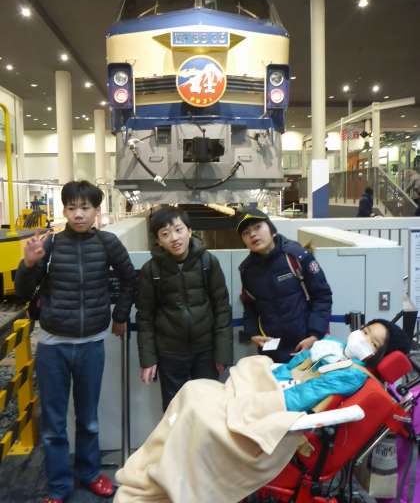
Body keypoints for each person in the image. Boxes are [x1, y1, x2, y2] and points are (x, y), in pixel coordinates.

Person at [114, 320, 410, 503]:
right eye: (365, 330)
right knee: (194, 391)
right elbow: (296, 368)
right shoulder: (336, 349)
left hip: (281, 407)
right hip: (277, 383)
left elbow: (302, 396)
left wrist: (258, 399)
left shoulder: (353, 374)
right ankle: (166, 467)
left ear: (378, 355)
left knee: (198, 410)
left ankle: (175, 480)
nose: (361, 337)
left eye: (372, 341)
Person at [15, 180, 137, 503]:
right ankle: (58, 487)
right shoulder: (51, 245)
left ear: (97, 210)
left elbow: (130, 279)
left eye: (85, 208)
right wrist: (29, 264)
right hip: (52, 346)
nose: (78, 214)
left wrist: (120, 315)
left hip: (91, 345)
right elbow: (23, 292)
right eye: (71, 208)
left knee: (89, 419)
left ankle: (90, 473)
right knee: (54, 424)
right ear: (65, 211)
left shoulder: (108, 243)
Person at [136, 206, 233, 410]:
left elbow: (222, 308)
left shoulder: (208, 262)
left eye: (178, 230)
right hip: (170, 353)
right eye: (165, 234)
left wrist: (222, 353)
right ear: (158, 240)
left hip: (205, 350)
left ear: (189, 231)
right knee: (175, 409)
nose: (174, 238)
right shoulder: (151, 270)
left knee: (209, 408)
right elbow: (145, 317)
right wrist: (148, 359)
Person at [236, 208, 332, 363]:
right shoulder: (247, 270)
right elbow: (249, 306)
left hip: (307, 346)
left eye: (258, 227)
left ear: (272, 230)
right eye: (246, 233)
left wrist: (315, 335)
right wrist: (253, 333)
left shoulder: (296, 256)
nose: (252, 234)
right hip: (272, 351)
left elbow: (322, 296)